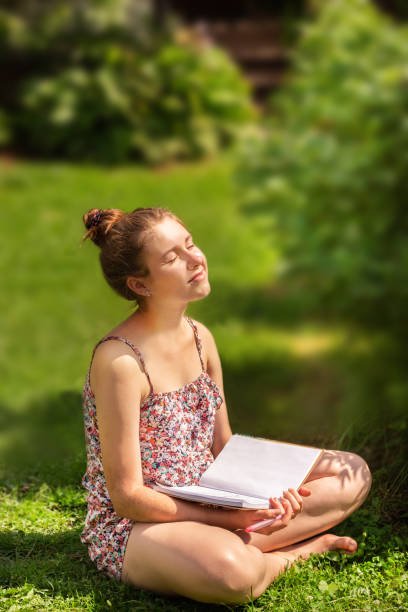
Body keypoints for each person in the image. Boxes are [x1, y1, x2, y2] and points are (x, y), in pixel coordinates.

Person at [80, 206, 372, 605]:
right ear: (140, 285)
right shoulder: (120, 362)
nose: (194, 259)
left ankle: (232, 543)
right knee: (233, 575)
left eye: (190, 244)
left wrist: (261, 499)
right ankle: (291, 552)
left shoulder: (201, 337)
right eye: (171, 258)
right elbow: (128, 496)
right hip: (139, 523)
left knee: (352, 473)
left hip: (211, 494)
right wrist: (234, 519)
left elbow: (223, 445)